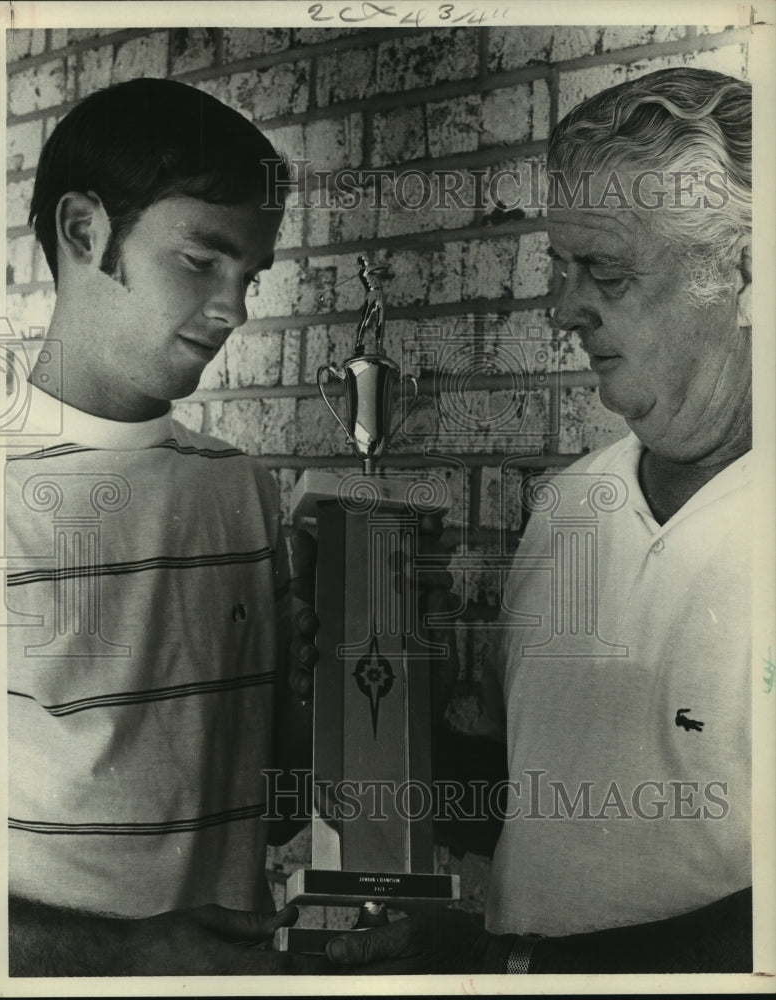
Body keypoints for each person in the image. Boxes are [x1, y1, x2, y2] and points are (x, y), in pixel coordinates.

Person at [324, 67, 754, 975]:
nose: (562, 309)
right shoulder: (568, 507)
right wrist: (372, 703)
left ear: (742, 273)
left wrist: (515, 969)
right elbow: (549, 804)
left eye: (603, 270)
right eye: (559, 268)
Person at [6, 77, 325, 976]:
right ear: (84, 233)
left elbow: (278, 804)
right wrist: (127, 954)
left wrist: (324, 688)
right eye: (201, 260)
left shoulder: (242, 491)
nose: (235, 310)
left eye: (249, 276)